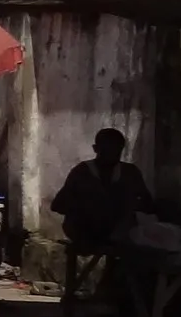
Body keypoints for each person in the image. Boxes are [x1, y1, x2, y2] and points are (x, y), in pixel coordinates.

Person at [50, 127, 155, 303]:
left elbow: (147, 204)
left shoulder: (130, 173)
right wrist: (88, 203)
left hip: (118, 232)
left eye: (116, 150)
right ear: (95, 149)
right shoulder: (82, 172)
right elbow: (58, 205)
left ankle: (114, 296)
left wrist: (124, 203)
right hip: (85, 230)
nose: (112, 154)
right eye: (107, 149)